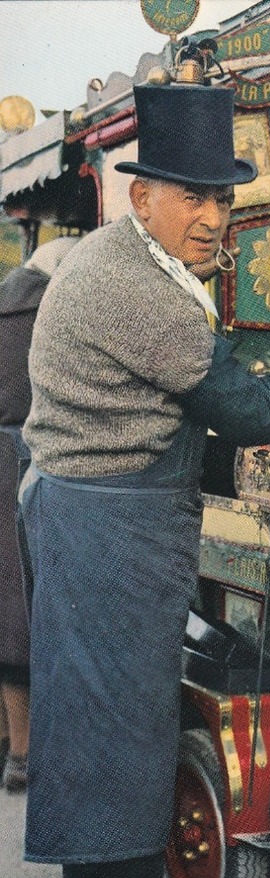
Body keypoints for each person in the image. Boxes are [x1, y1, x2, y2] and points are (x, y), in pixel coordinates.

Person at [20, 81, 270, 878]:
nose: (212, 218)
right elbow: (241, 407)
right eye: (193, 197)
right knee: (117, 719)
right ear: (142, 197)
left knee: (94, 712)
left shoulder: (123, 261)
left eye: (222, 198)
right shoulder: (142, 291)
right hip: (109, 519)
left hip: (94, 505)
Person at [0, 236, 80, 793]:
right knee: (39, 607)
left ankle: (14, 746)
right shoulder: (59, 307)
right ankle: (30, 754)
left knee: (8, 608)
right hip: (41, 460)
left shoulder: (4, 300)